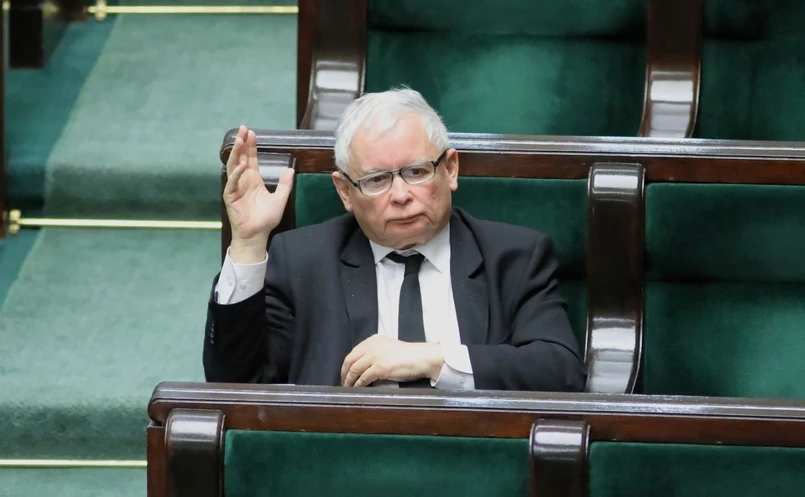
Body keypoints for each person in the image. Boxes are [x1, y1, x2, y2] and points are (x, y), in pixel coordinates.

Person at [203, 88, 586, 391]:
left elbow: (561, 372)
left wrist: (434, 359)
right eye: (376, 180)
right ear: (345, 192)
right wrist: (249, 243)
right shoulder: (303, 261)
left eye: (416, 172)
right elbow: (237, 384)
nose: (401, 195)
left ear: (451, 169)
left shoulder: (514, 257)